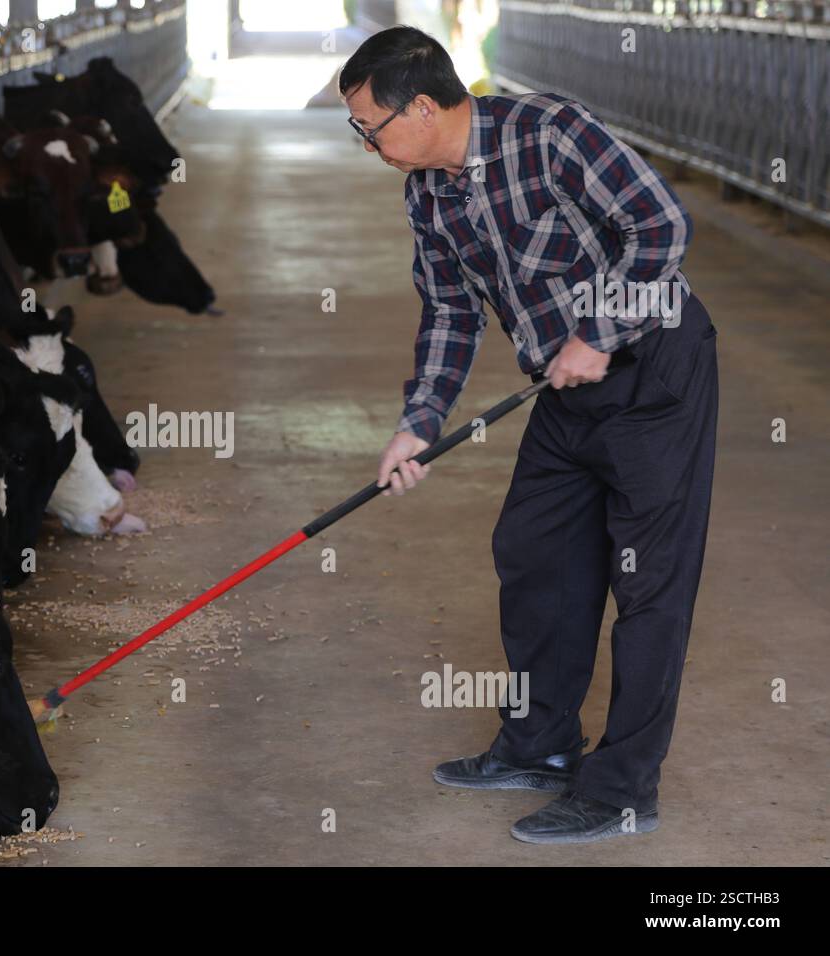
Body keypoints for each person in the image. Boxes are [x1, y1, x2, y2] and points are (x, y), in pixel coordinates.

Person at [341, 26, 719, 844]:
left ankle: (622, 789)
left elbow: (660, 227)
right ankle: (542, 746)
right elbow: (449, 311)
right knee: (534, 549)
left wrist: (602, 329)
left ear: (423, 106)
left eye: (369, 126)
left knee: (648, 585)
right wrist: (418, 424)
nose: (366, 143)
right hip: (563, 383)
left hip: (654, 369)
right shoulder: (426, 195)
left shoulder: (548, 134)